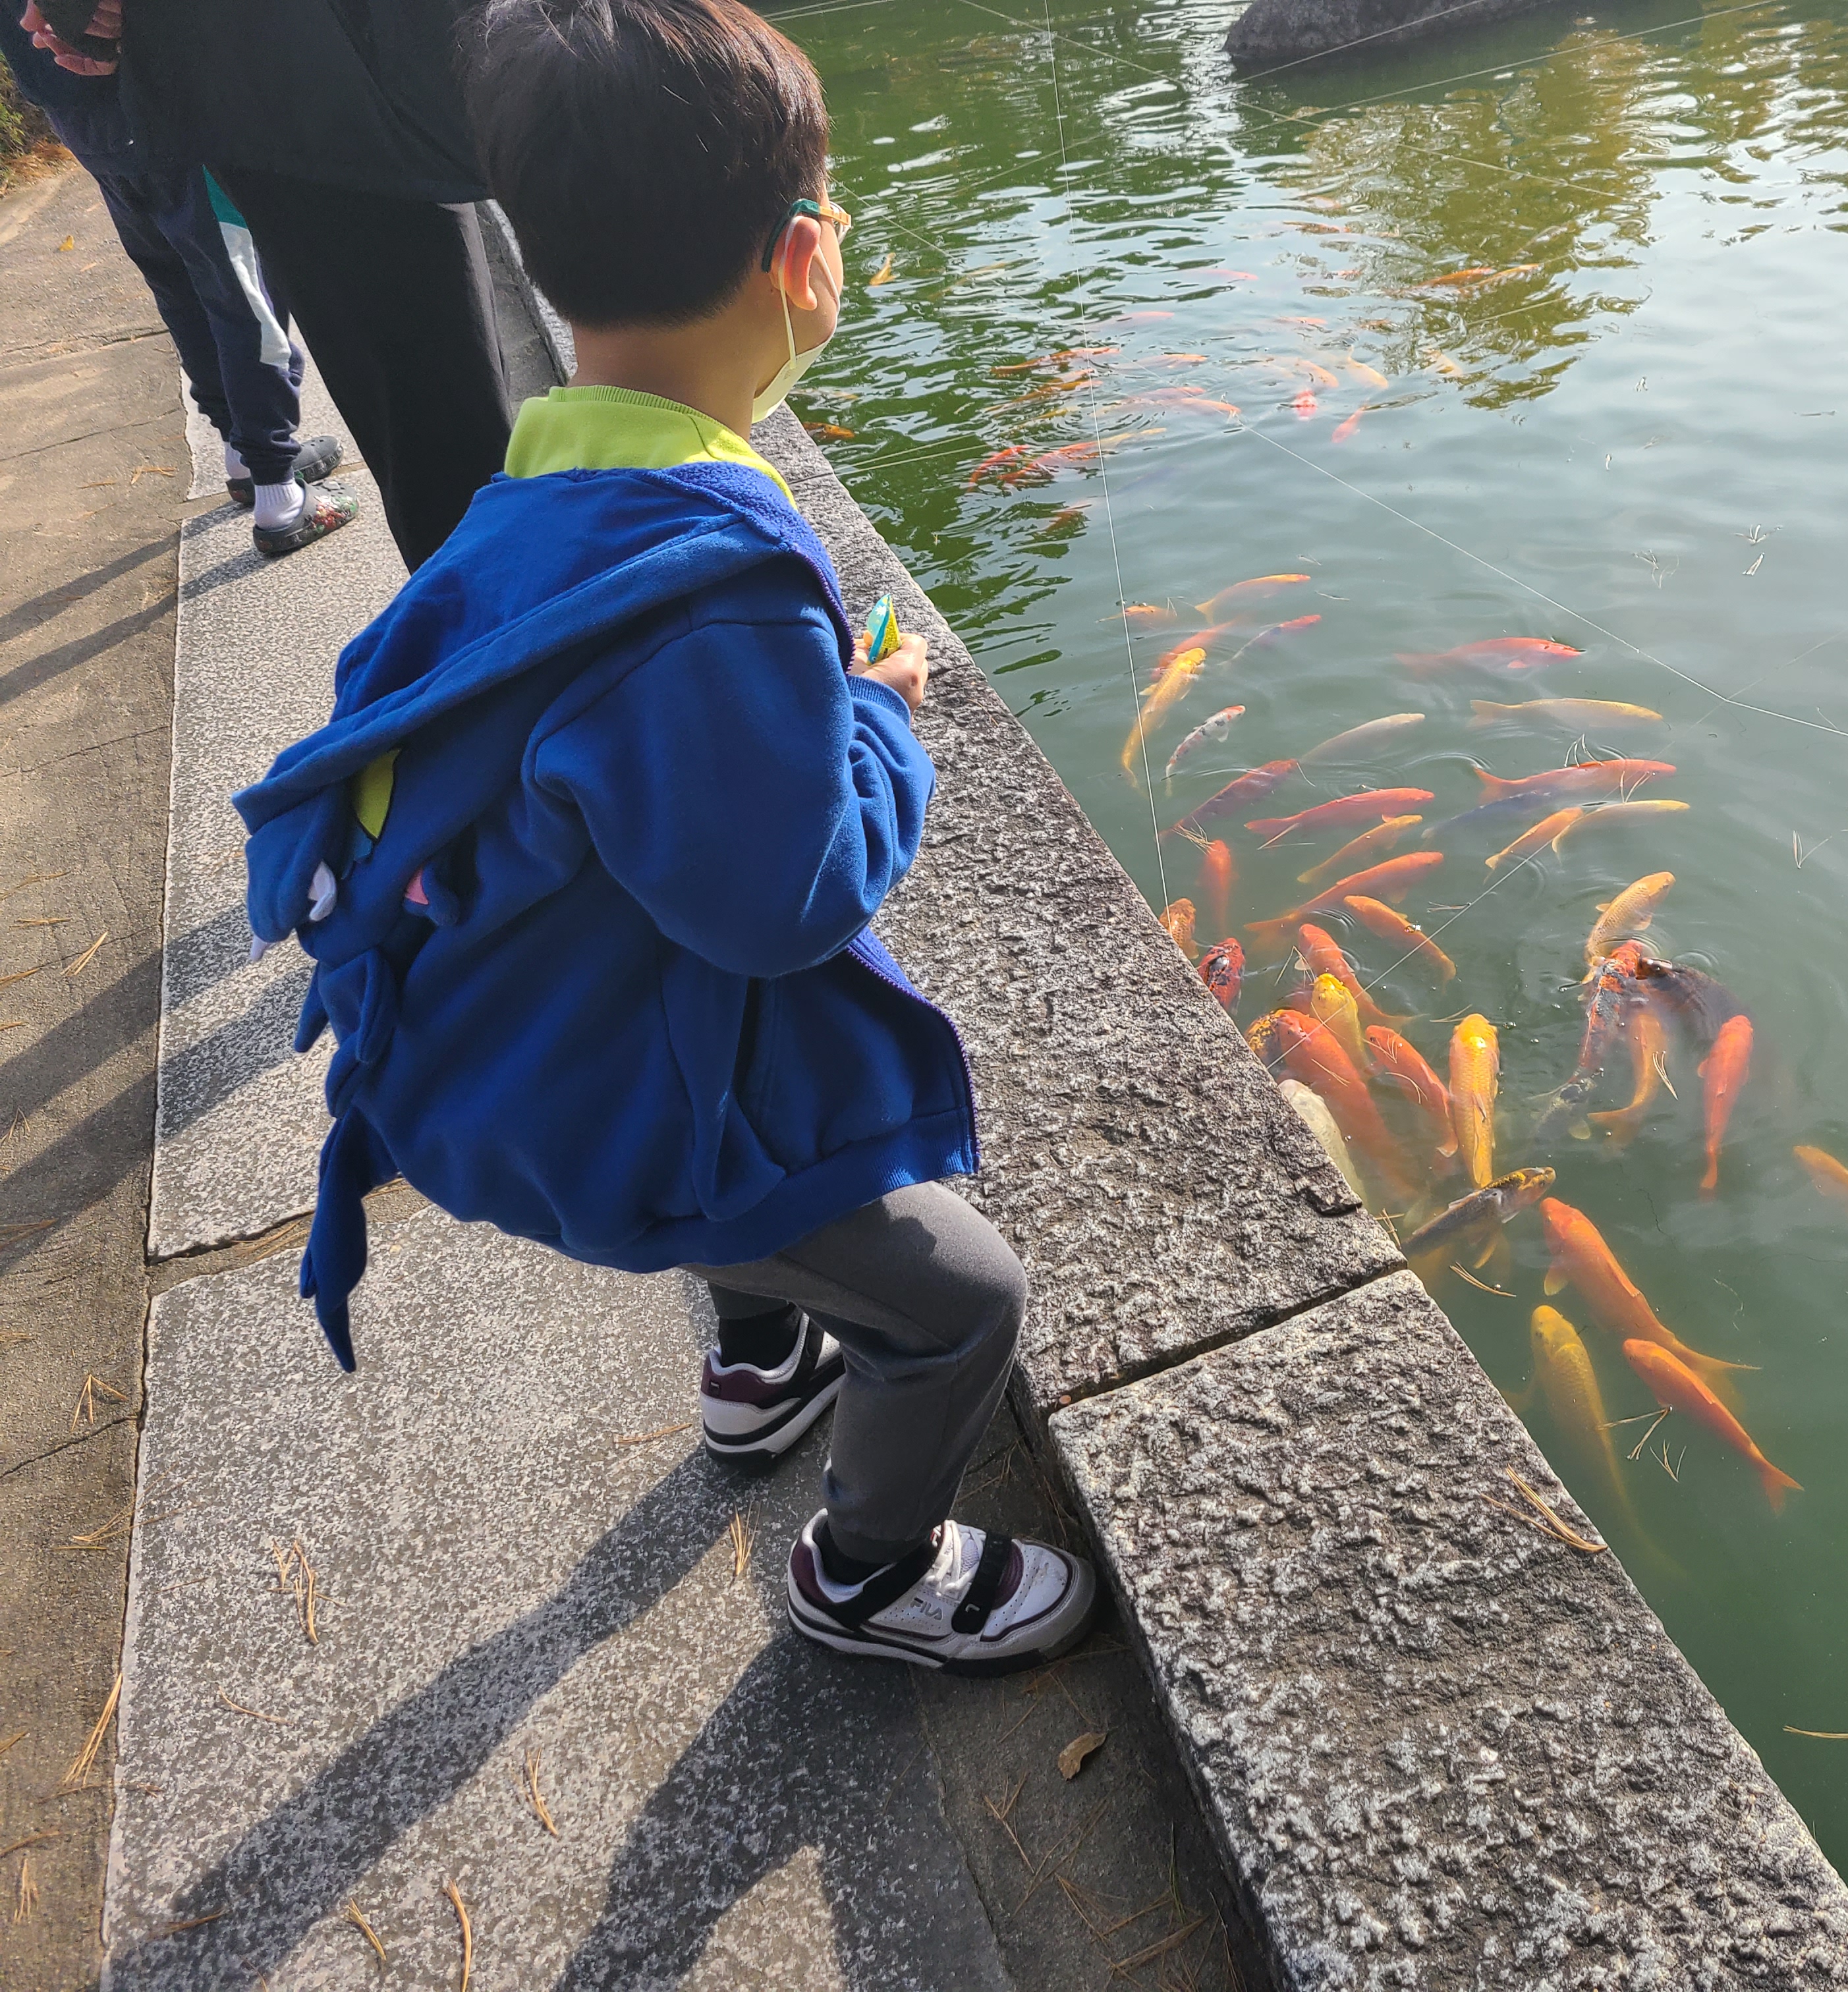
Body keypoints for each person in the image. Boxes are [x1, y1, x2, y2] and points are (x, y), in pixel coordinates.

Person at [229, 0, 1096, 1676]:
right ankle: (867, 1572)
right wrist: (878, 717)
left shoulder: (534, 491)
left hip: (491, 1049)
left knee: (750, 1127)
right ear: (802, 260)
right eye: (832, 211)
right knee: (964, 1302)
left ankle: (762, 1362)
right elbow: (792, 901)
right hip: (594, 1112)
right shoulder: (712, 583)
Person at [25, 0, 515, 570]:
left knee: (202, 290)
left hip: (221, 84)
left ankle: (254, 454)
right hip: (311, 74)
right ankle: (272, 470)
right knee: (428, 402)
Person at [7, 5, 354, 554]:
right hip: (158, 87)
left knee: (179, 282)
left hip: (75, 109)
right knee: (241, 287)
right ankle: (278, 493)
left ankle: (245, 454)